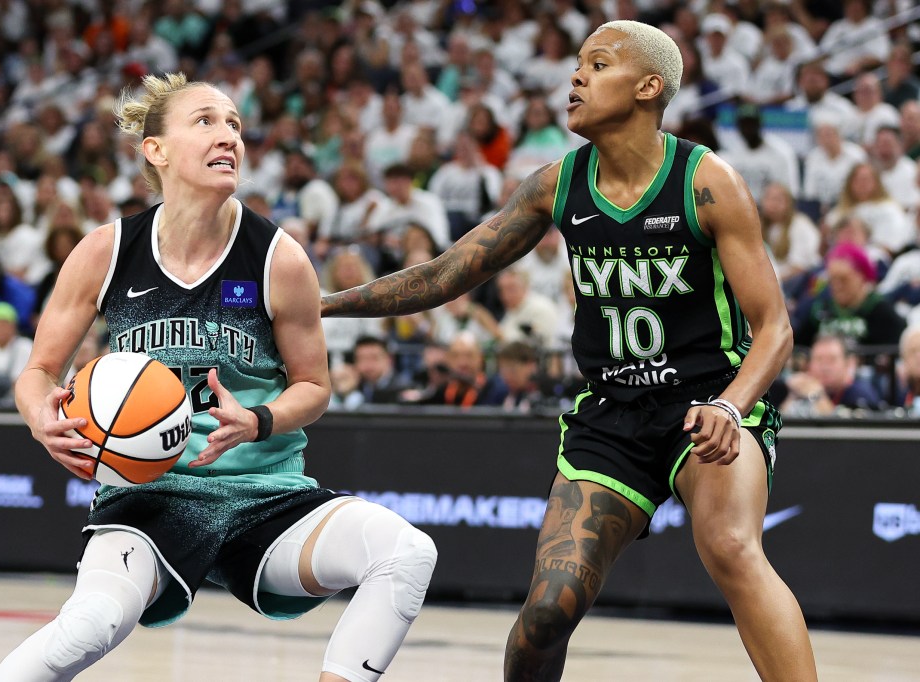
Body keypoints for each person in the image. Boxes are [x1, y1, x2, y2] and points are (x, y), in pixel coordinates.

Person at [322, 21, 817, 681]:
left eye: (598, 63)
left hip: (709, 406)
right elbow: (443, 277)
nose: (575, 76)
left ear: (648, 87)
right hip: (610, 417)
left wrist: (730, 407)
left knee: (731, 546)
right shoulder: (557, 184)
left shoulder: (707, 181)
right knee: (546, 614)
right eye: (577, 63)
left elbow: (775, 326)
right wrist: (322, 303)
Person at [0, 73, 436, 682]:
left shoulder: (278, 256)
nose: (228, 135)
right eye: (205, 121)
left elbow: (315, 386)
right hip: (147, 495)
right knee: (91, 622)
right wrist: (42, 418)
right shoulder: (107, 251)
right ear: (157, 149)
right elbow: (38, 372)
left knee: (407, 552)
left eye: (234, 124)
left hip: (265, 493)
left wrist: (259, 419)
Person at [780, 334, 884, 416]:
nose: (825, 366)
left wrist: (817, 395)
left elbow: (838, 432)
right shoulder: (806, 389)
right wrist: (793, 395)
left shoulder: (860, 393)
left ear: (848, 364)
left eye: (832, 359)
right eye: (819, 359)